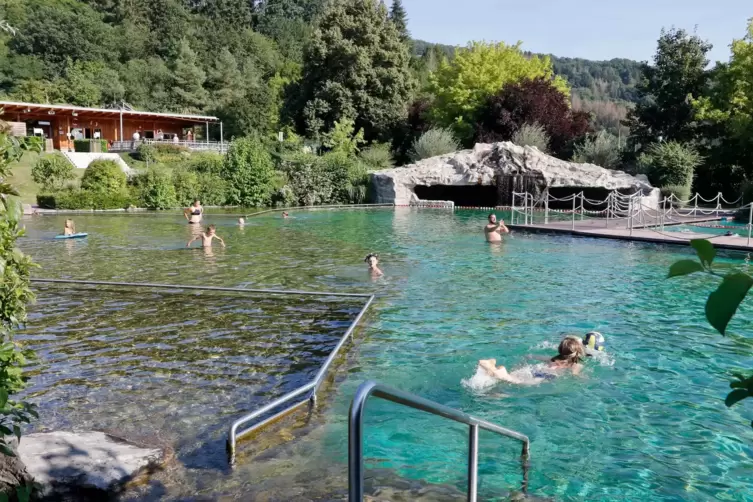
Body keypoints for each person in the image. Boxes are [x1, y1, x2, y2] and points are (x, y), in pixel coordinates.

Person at [479, 336, 585, 385]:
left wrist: (520, 364)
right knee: (520, 382)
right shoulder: (575, 365)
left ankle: (492, 367)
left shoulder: (552, 359)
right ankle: (502, 374)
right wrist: (582, 377)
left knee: (513, 376)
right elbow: (575, 377)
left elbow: (530, 356)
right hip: (546, 375)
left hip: (534, 369)